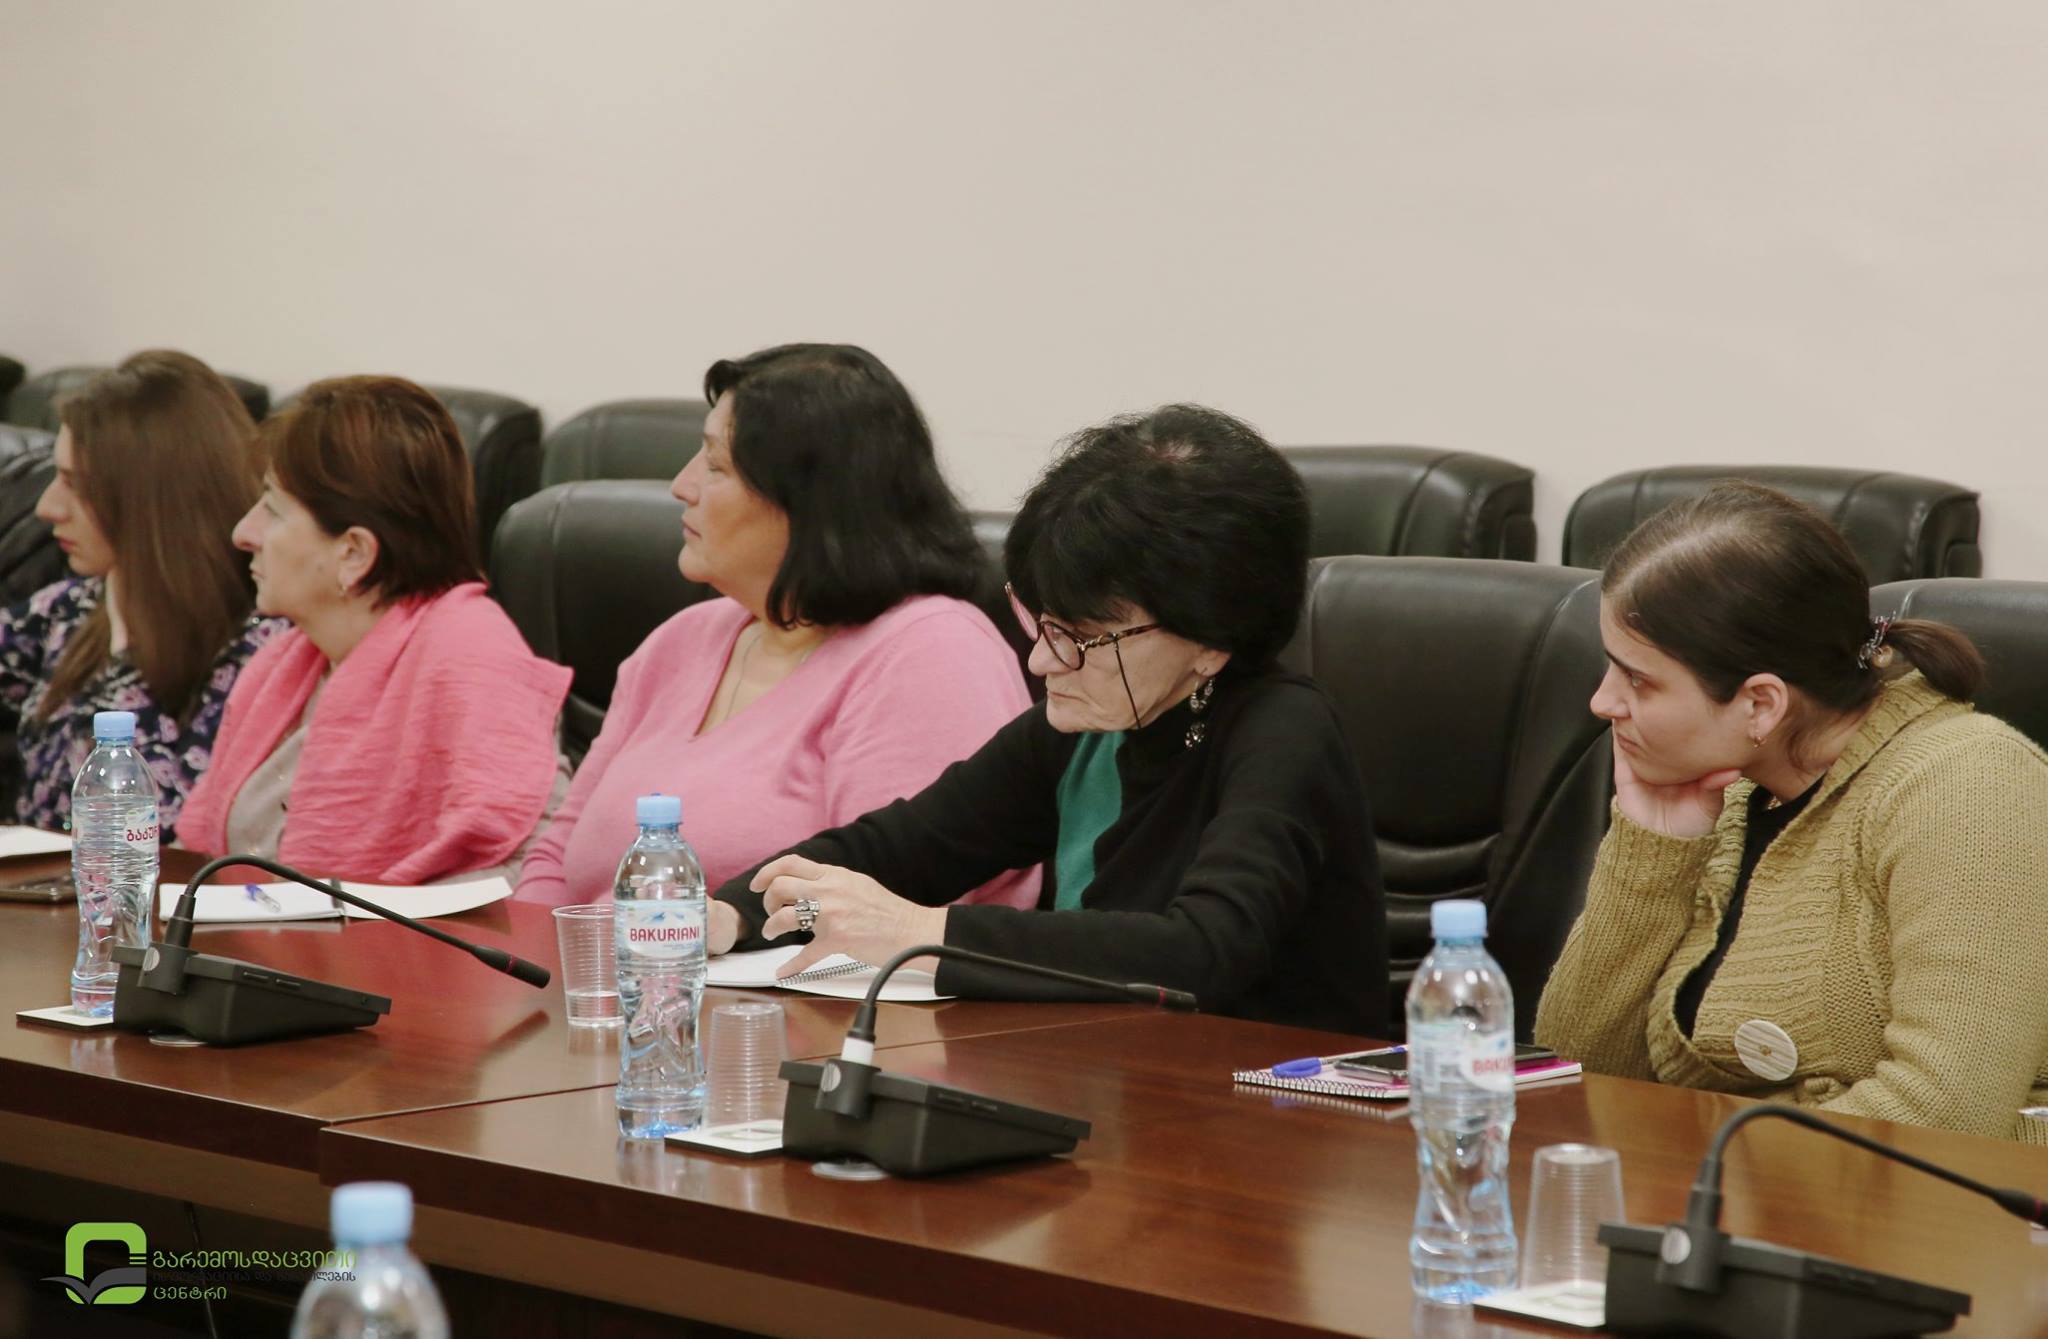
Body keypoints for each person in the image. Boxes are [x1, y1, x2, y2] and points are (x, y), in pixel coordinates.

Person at [705, 404, 1387, 1035]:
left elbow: (1201, 951)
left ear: (1211, 640)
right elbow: (900, 849)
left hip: (1278, 1098)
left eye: (1081, 637)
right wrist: (731, 913)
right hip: (1106, 1076)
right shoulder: (1084, 725)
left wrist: (924, 932)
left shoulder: (1285, 730)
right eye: (1041, 622)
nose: (1041, 661)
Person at [1534, 482, 2048, 1142]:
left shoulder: (1970, 786)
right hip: (1735, 1184)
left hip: (1938, 1200)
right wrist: (1655, 848)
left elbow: (1945, 1111)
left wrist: (1707, 1166)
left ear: (1761, 704)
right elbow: (1577, 1070)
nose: (1602, 702)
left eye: (1638, 679)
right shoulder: (1731, 789)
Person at [516, 343, 1037, 909]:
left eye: (716, 465)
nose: (681, 485)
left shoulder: (930, 653)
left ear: (811, 502)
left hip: (796, 972)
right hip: (608, 966)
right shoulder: (681, 639)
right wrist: (529, 954)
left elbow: (881, 910)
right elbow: (557, 857)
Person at [178, 376, 571, 885]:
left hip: (387, 940)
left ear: (354, 553)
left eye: (272, 509)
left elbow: (522, 875)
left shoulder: (473, 658)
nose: (242, 533)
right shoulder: (284, 663)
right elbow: (202, 862)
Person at [0, 350, 276, 836]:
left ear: (153, 500)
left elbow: (166, 833)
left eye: (75, 485)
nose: (47, 507)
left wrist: (128, 628)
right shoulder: (71, 607)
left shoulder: (260, 647)